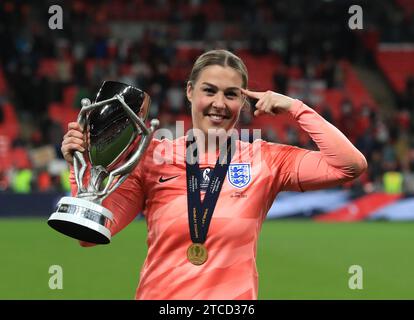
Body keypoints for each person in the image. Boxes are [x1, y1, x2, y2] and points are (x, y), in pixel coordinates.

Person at [61, 49, 367, 300]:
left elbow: (349, 165)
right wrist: (84, 170)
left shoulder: (266, 159)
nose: (219, 104)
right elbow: (90, 236)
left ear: (243, 102)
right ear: (190, 91)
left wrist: (295, 106)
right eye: (209, 91)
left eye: (231, 94)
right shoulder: (151, 156)